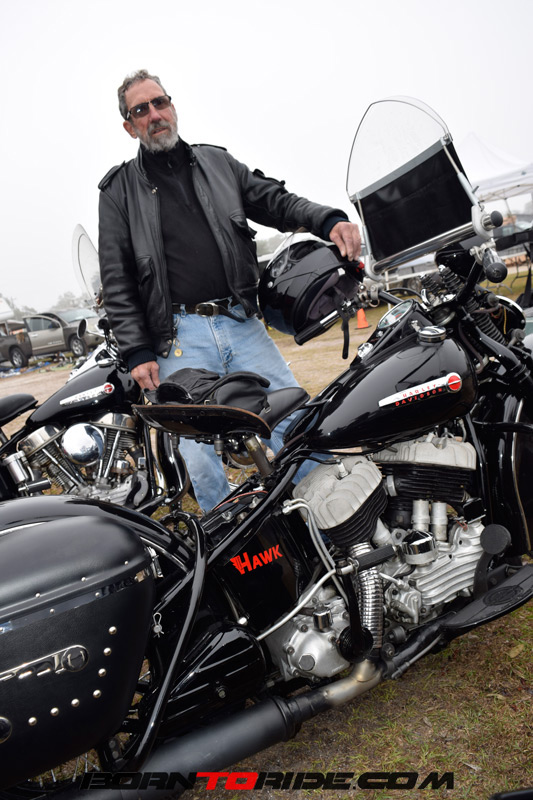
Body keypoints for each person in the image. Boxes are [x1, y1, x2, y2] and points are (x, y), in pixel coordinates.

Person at [98, 69, 361, 512]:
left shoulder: (218, 164)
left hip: (240, 322)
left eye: (160, 102)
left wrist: (327, 219)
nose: (154, 114)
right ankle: (232, 540)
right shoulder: (117, 191)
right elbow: (117, 278)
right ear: (129, 126)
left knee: (292, 421)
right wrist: (138, 351)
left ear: (172, 106)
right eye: (141, 110)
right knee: (200, 457)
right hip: (178, 339)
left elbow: (276, 201)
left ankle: (330, 516)